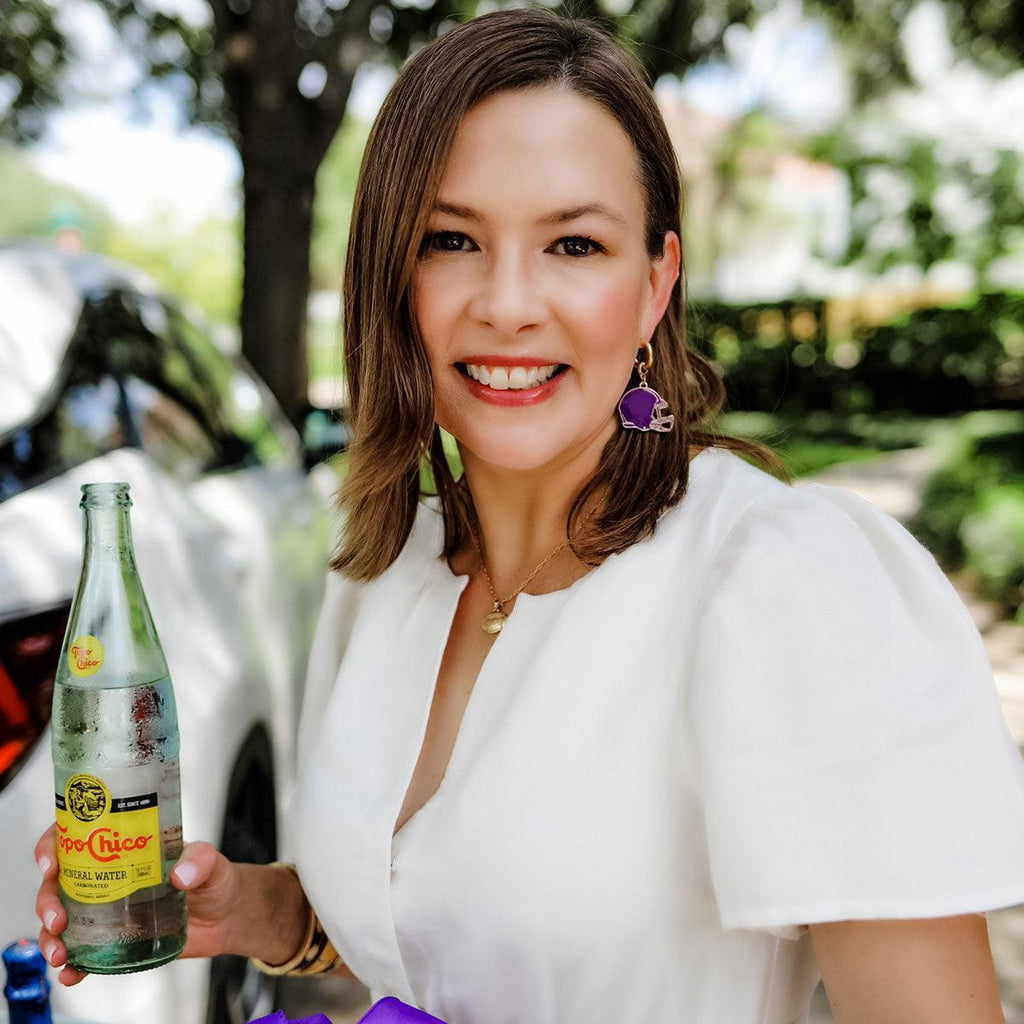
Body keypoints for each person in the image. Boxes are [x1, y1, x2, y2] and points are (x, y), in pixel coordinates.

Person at [35, 7, 1024, 1022]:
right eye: (451, 238)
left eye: (574, 244)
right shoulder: (387, 570)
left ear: (652, 287)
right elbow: (438, 924)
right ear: (392, 281)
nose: (507, 303)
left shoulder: (786, 581)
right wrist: (265, 912)